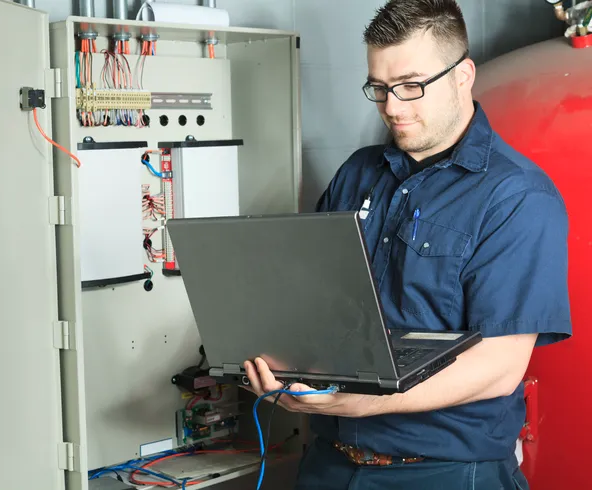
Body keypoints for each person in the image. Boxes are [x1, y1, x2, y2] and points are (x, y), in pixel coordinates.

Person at [243, 0, 573, 489]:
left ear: (463, 75)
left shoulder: (516, 195)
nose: (392, 107)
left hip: (444, 473)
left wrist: (363, 401)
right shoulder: (357, 172)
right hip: (328, 464)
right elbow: (310, 300)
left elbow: (498, 368)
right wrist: (278, 362)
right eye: (379, 87)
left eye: (412, 86)